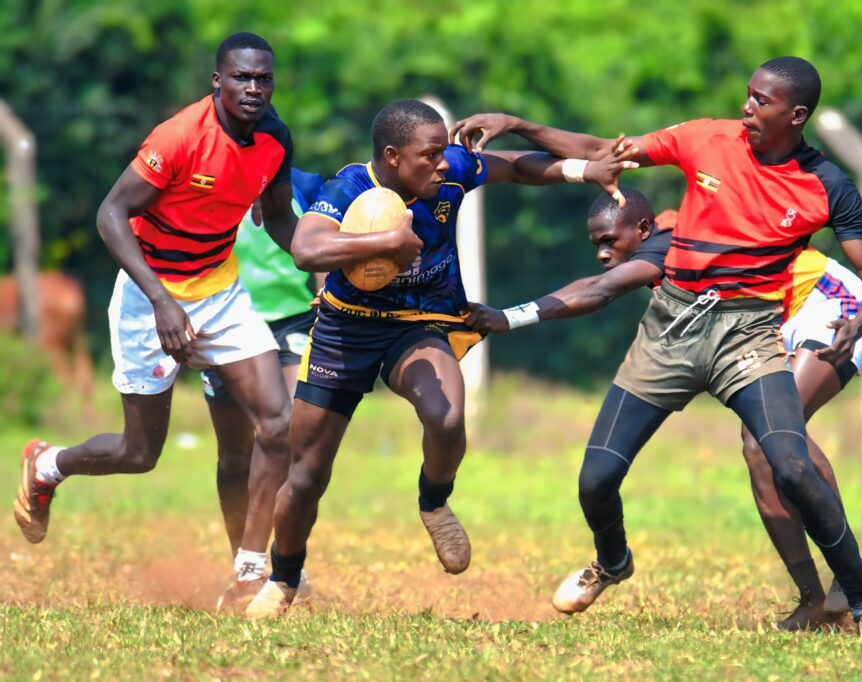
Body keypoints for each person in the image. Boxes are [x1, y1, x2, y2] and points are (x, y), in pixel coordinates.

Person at [451, 56, 862, 637]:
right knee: (595, 480)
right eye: (747, 94)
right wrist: (519, 122)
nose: (747, 107)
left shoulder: (828, 186)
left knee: (784, 459)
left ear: (796, 115)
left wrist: (859, 324)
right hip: (669, 332)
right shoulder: (705, 142)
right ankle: (614, 562)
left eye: (761, 101)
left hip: (751, 330)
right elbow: (603, 151)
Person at [244, 99, 632, 618]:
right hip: (346, 330)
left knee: (447, 417)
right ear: (391, 156)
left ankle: (434, 500)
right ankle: (283, 578)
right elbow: (308, 251)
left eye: (442, 151)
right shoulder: (350, 189)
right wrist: (388, 243)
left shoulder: (450, 173)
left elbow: (516, 167)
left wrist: (583, 170)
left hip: (421, 322)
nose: (443, 163)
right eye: (428, 155)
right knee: (308, 474)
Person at [468, 193, 862, 631]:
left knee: (770, 441)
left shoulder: (667, 246)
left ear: (642, 231)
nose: (603, 252)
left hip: (826, 303)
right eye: (596, 244)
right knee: (759, 447)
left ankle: (848, 576)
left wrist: (509, 317)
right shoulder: (663, 233)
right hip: (767, 318)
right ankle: (814, 601)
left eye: (609, 240)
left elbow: (597, 290)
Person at [14, 32, 298, 602]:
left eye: (263, 78)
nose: (253, 88)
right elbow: (111, 214)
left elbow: (281, 223)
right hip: (150, 296)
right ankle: (48, 466)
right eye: (241, 77)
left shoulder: (275, 139)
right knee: (138, 453)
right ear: (217, 80)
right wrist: (164, 302)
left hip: (219, 290)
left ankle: (248, 570)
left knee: (277, 420)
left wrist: (328, 260)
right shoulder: (179, 137)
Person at [205, 167, 326, 610]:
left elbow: (320, 239)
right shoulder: (206, 179)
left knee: (290, 431)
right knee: (234, 455)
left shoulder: (307, 184)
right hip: (224, 319)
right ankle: (243, 563)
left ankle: (278, 562)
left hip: (293, 320)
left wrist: (325, 291)